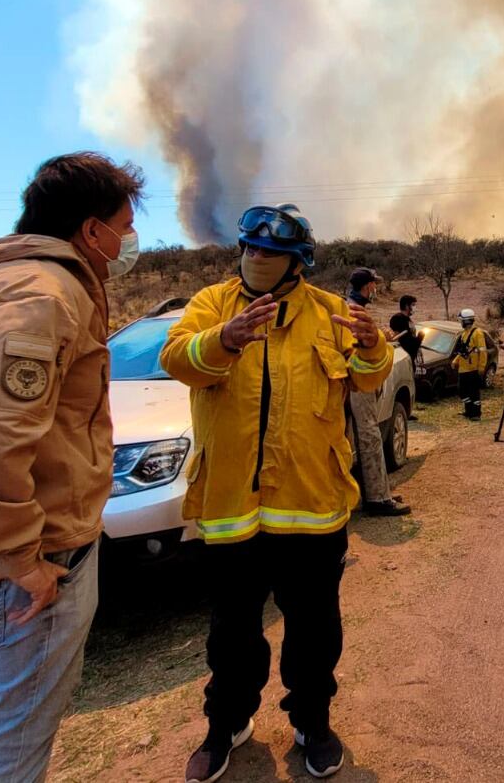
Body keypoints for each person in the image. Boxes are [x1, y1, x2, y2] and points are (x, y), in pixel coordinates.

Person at [0, 152, 144, 782]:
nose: (128, 242)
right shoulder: (40, 294)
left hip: (6, 550)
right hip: (26, 566)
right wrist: (21, 559)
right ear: (91, 230)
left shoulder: (6, 283)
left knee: (11, 734)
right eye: (123, 226)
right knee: (11, 750)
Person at [161, 206, 394, 782]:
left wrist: (371, 347)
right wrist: (224, 339)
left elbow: (369, 377)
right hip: (231, 510)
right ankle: (226, 727)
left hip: (312, 508)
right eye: (250, 249)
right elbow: (176, 358)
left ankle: (312, 723)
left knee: (315, 630)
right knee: (232, 632)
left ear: (299, 263)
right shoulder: (211, 304)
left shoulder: (334, 311)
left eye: (270, 254)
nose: (256, 260)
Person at [344, 268, 410, 516]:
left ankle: (376, 492)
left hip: (355, 381)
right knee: (369, 433)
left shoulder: (349, 307)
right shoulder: (353, 311)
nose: (376, 290)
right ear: (368, 286)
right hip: (358, 383)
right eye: (374, 285)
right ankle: (377, 498)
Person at [452, 308, 488, 419]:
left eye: (461, 320)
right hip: (463, 368)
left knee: (474, 392)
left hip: (473, 368)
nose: (460, 323)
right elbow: (463, 351)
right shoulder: (464, 334)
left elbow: (482, 351)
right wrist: (455, 360)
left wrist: (481, 367)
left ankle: (476, 414)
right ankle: (468, 411)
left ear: (466, 321)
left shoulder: (478, 333)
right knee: (462, 391)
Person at [388, 294, 423, 364]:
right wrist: (419, 338)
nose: (415, 307)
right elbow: (406, 342)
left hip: (409, 358)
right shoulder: (398, 319)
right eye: (413, 305)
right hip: (402, 359)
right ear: (407, 306)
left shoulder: (407, 319)